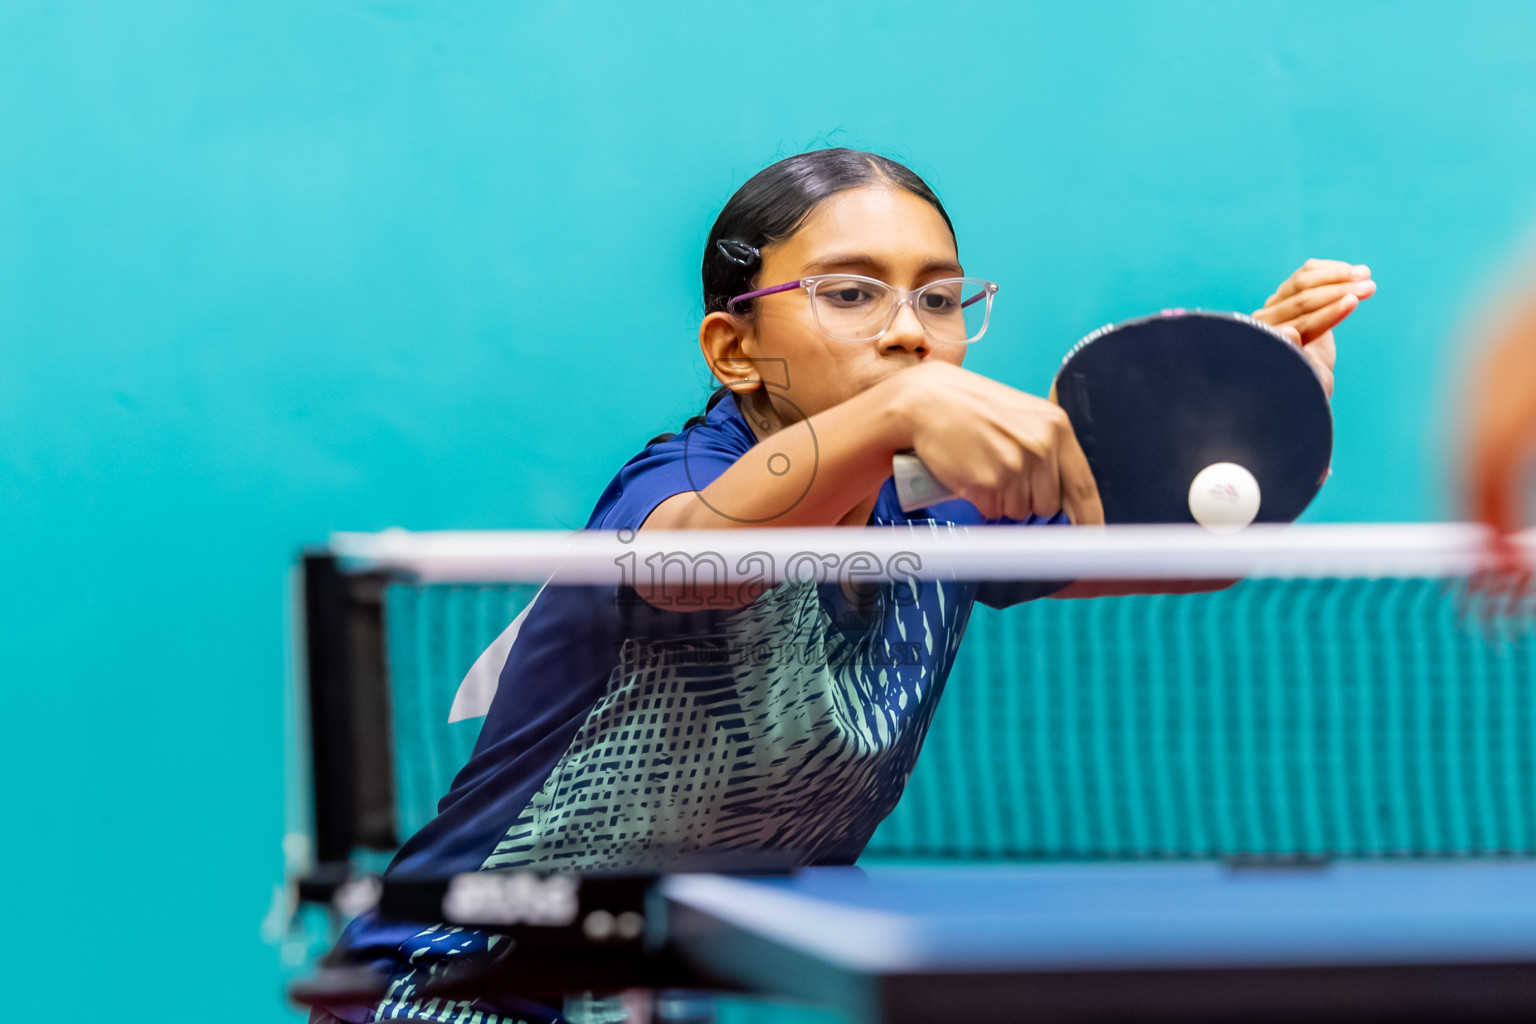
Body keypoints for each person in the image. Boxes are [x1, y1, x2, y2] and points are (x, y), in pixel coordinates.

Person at [311, 148, 1373, 1024]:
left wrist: (1267, 407)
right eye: (850, 292)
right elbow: (694, 564)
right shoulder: (676, 486)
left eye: (940, 297)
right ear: (736, 349)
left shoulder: (945, 516)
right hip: (446, 987)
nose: (910, 326)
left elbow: (1184, 551)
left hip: (626, 993)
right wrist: (898, 414)